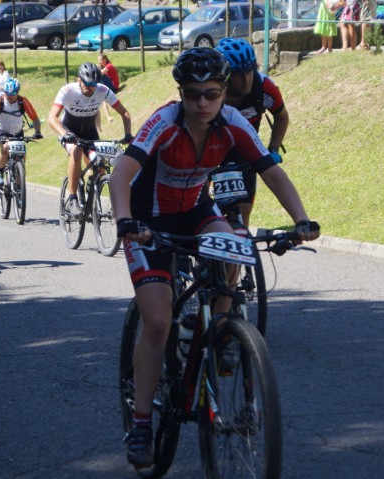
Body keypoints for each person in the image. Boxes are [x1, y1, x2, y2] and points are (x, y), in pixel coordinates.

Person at [110, 47, 319, 467]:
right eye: (192, 95)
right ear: (181, 93)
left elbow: (271, 170)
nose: (201, 103)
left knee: (235, 240)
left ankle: (221, 328)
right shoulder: (164, 122)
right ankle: (143, 420)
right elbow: (121, 173)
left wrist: (301, 220)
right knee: (157, 319)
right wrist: (126, 221)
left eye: (210, 94)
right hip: (149, 220)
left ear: (224, 92)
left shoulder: (234, 122)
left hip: (193, 211)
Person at [215, 37, 290, 227]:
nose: (247, 78)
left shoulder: (264, 87)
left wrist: (273, 150)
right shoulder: (210, 93)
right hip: (212, 152)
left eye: (250, 70)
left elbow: (281, 117)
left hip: (245, 153)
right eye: (239, 74)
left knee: (242, 214)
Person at [47, 62, 132, 217]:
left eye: (93, 84)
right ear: (78, 80)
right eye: (86, 83)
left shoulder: (103, 90)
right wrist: (64, 134)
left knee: (100, 165)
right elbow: (52, 118)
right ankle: (72, 198)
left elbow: (125, 113)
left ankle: (92, 190)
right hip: (68, 130)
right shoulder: (67, 91)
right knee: (77, 150)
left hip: (89, 132)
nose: (90, 87)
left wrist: (128, 135)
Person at [0, 77, 43, 186]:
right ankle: (0, 173)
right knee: (5, 148)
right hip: (0, 131)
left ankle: (20, 176)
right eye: (7, 94)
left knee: (22, 150)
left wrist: (37, 131)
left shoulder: (22, 101)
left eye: (13, 94)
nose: (10, 97)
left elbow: (35, 119)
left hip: (17, 132)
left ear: (18, 92)